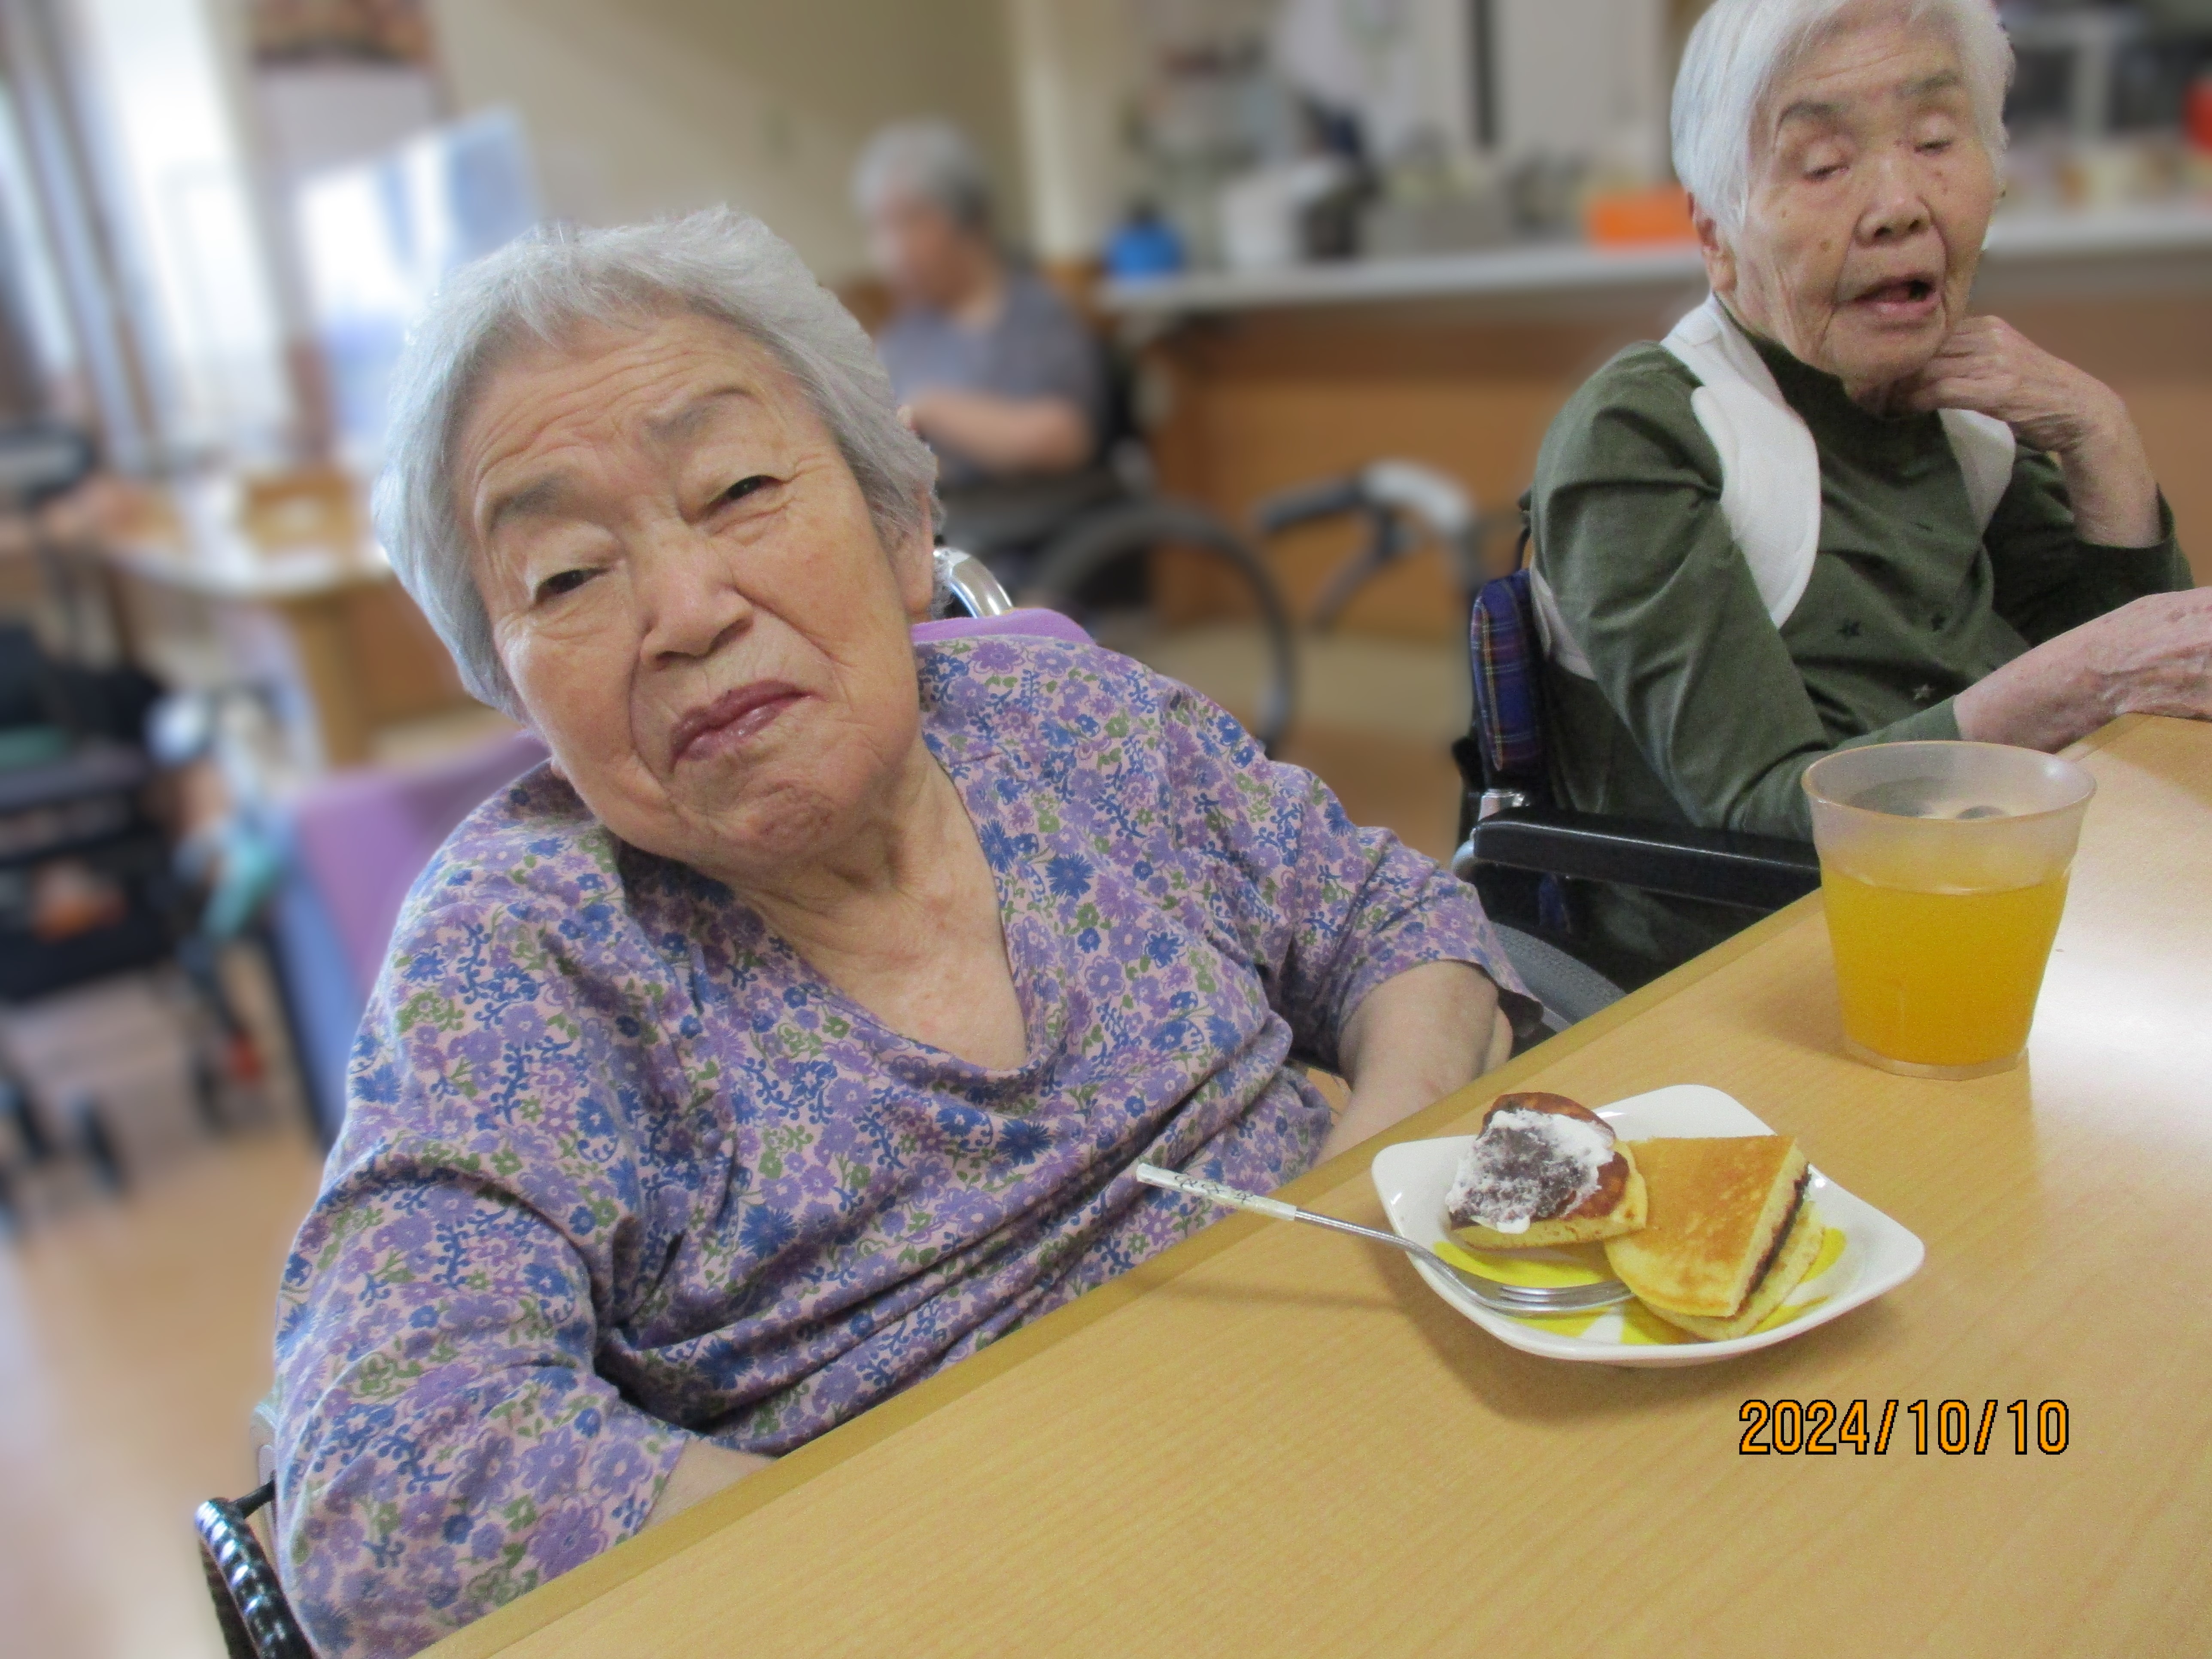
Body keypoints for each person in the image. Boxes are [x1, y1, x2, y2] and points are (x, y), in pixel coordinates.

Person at [270, 206, 1535, 1657]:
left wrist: (1364, 1207)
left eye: (739, 488)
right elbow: (384, 1486)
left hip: (1386, 1426)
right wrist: (917, 1576)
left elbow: (1397, 921)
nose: (683, 610)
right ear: (514, 690)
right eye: (565, 575)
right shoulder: (524, 954)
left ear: (903, 523)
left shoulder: (1070, 721)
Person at [1527, 0, 2207, 984]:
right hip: (1765, 974)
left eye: (1936, 140)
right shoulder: (1644, 435)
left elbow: (2149, 711)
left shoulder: (1965, 409)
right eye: (1824, 165)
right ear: (1717, 237)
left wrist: (2100, 435)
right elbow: (1767, 818)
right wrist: (2079, 677)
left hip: (2015, 918)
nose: (1898, 204)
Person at [854, 119, 1112, 567]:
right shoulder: (902, 337)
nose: (891, 253)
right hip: (940, 543)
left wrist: (933, 409)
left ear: (966, 222)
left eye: (911, 222)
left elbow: (1064, 438)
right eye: (882, 228)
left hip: (1032, 540)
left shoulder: (1036, 316)